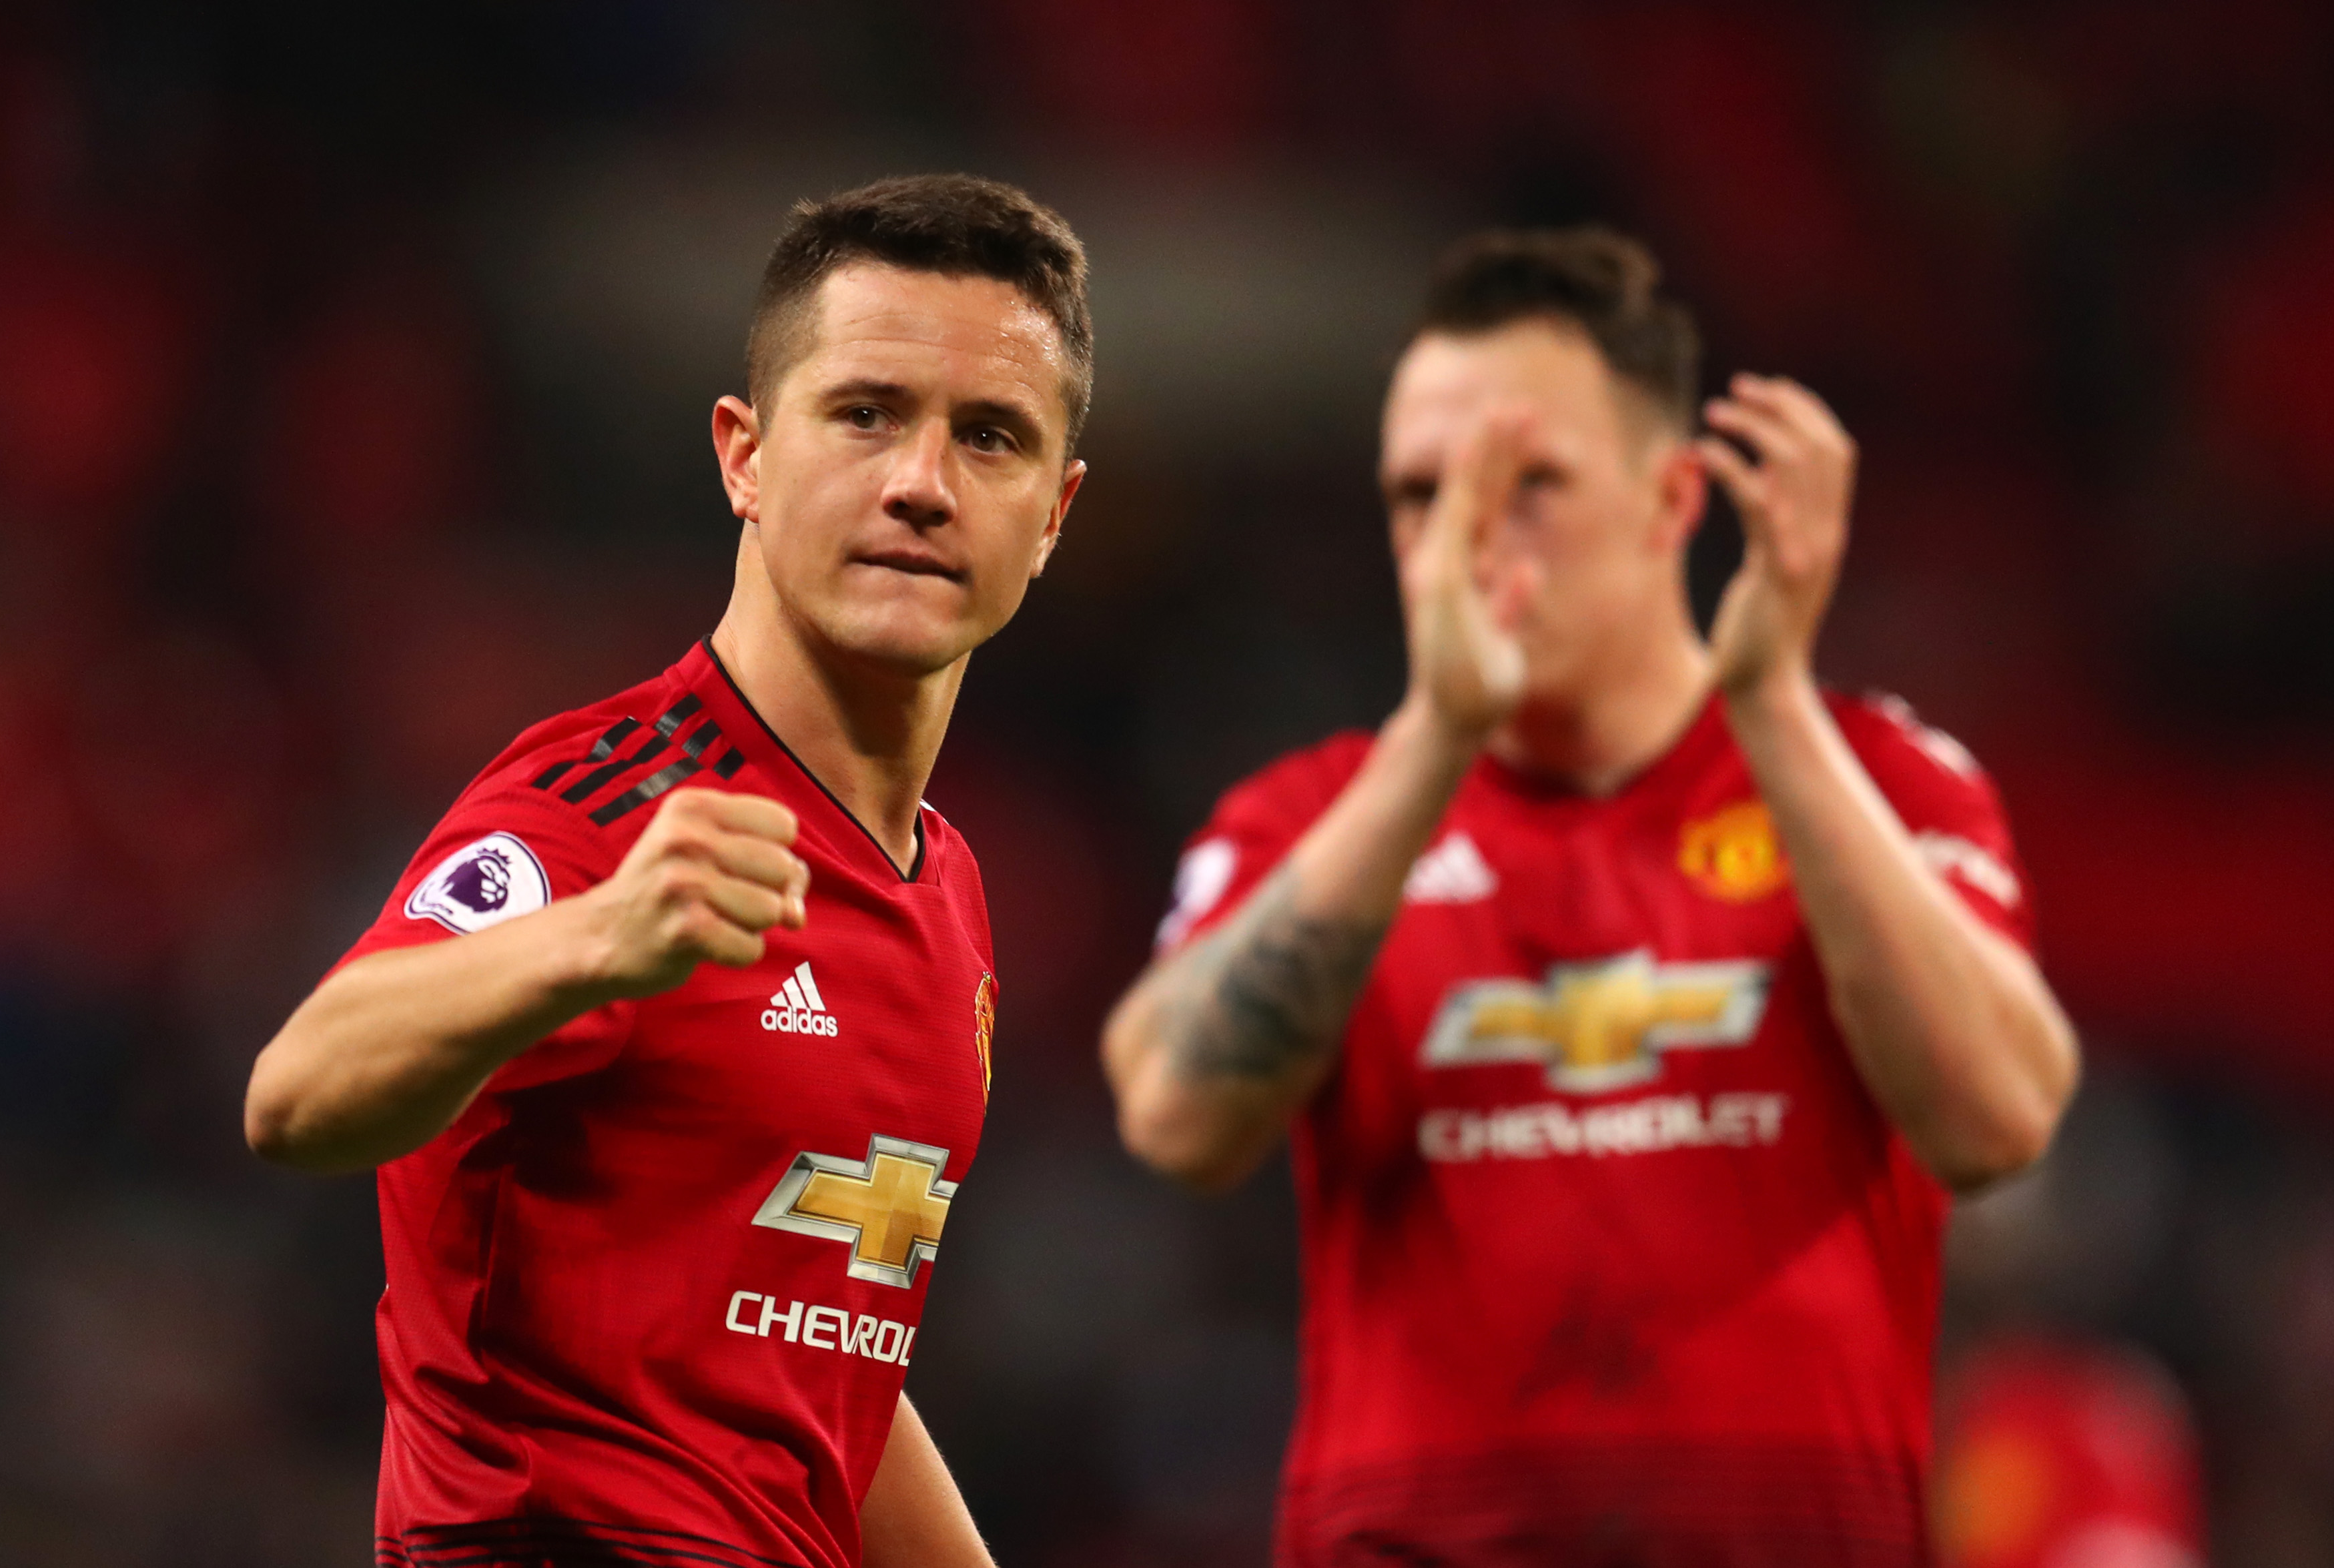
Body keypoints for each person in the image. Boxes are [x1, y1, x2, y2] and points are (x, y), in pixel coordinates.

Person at [1101, 227, 2079, 1565]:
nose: (1460, 541)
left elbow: (1998, 1118)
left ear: (1675, 502)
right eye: (1417, 495)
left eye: (1527, 483)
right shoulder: (1308, 817)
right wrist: (1436, 737)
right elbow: (1173, 1112)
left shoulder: (1881, 782)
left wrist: (1774, 710)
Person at [244, 173, 1092, 1568]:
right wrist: (600, 939)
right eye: (866, 412)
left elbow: (828, 1378)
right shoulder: (607, 812)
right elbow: (299, 1094)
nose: (921, 484)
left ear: (1052, 513)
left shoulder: (948, 888)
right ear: (744, 455)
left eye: (988, 437)